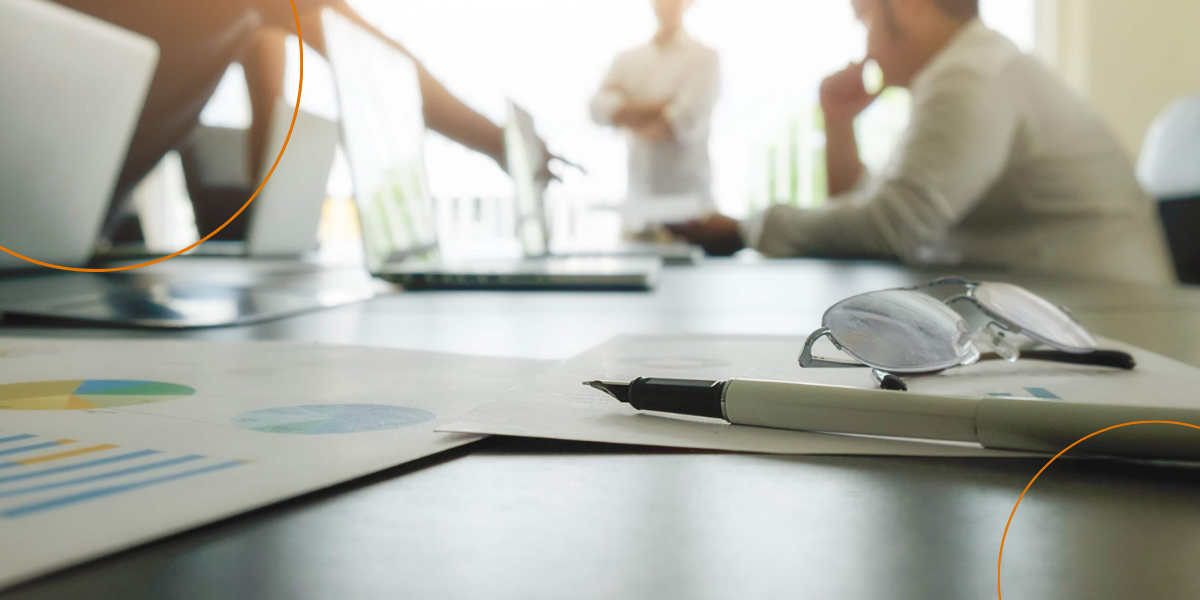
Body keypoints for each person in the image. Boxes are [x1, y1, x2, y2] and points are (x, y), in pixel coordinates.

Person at [673, 0, 1174, 284]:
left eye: (865, 17)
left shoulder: (972, 77)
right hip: (1064, 302)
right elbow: (871, 211)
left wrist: (745, 229)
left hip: (1109, 314)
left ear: (910, 6)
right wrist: (839, 124)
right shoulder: (963, 71)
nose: (864, 41)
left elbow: (892, 227)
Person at [49, 0, 556, 242]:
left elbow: (269, 113)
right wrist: (500, 144)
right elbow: (383, 65)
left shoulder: (255, 16)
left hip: (71, 221)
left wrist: (259, 229)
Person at [589, 0, 721, 207]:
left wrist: (624, 113)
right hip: (638, 201)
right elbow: (597, 110)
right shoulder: (627, 59)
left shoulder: (704, 58)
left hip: (690, 206)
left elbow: (676, 124)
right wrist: (662, 106)